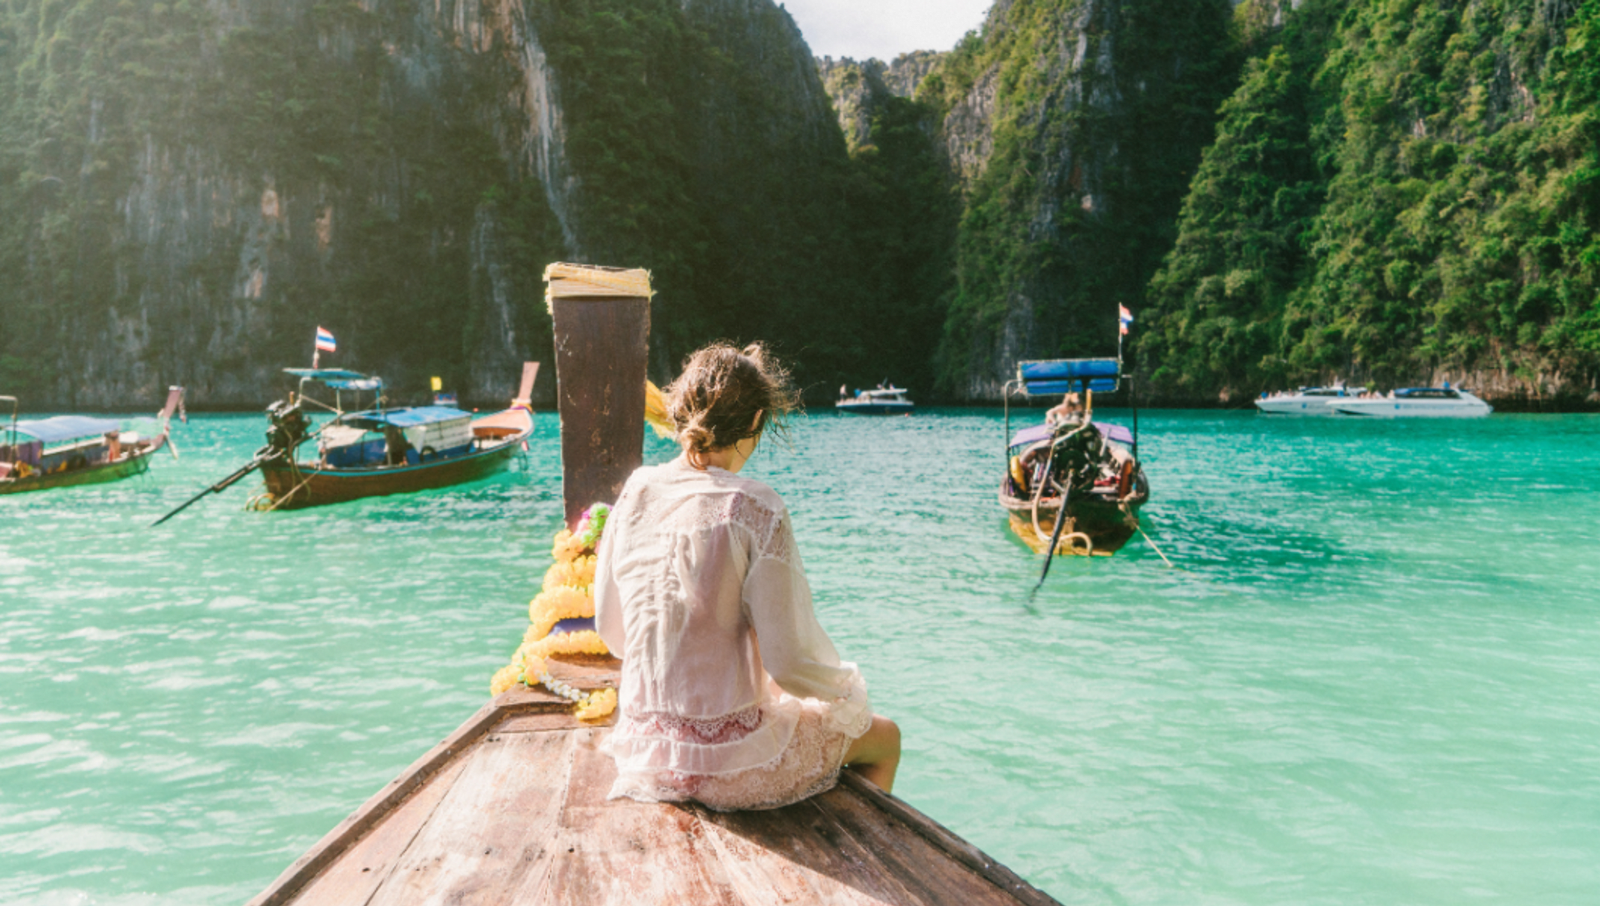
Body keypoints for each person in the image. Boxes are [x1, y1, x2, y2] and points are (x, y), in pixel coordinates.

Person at [594, 342, 900, 811]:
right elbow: (789, 665)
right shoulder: (754, 507)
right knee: (885, 737)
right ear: (756, 419)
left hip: (643, 754)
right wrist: (846, 693)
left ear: (681, 412)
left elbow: (613, 633)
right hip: (730, 767)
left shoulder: (636, 491)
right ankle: (854, 846)